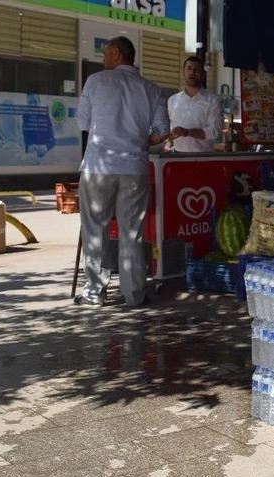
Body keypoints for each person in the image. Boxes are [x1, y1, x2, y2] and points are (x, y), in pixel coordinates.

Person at [75, 36, 169, 307]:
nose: (103, 59)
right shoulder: (151, 89)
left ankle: (94, 293)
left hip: (98, 168)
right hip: (134, 169)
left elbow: (83, 123)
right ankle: (134, 294)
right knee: (132, 233)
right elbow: (162, 132)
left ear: (117, 54)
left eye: (105, 53)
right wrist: (140, 139)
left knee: (95, 230)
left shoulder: (96, 81)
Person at [167, 56, 222, 152]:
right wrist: (167, 145)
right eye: (189, 69)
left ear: (203, 74)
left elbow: (215, 131)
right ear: (183, 72)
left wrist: (187, 132)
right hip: (176, 157)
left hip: (203, 158)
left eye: (196, 69)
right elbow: (169, 128)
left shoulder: (213, 100)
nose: (192, 72)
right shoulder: (173, 100)